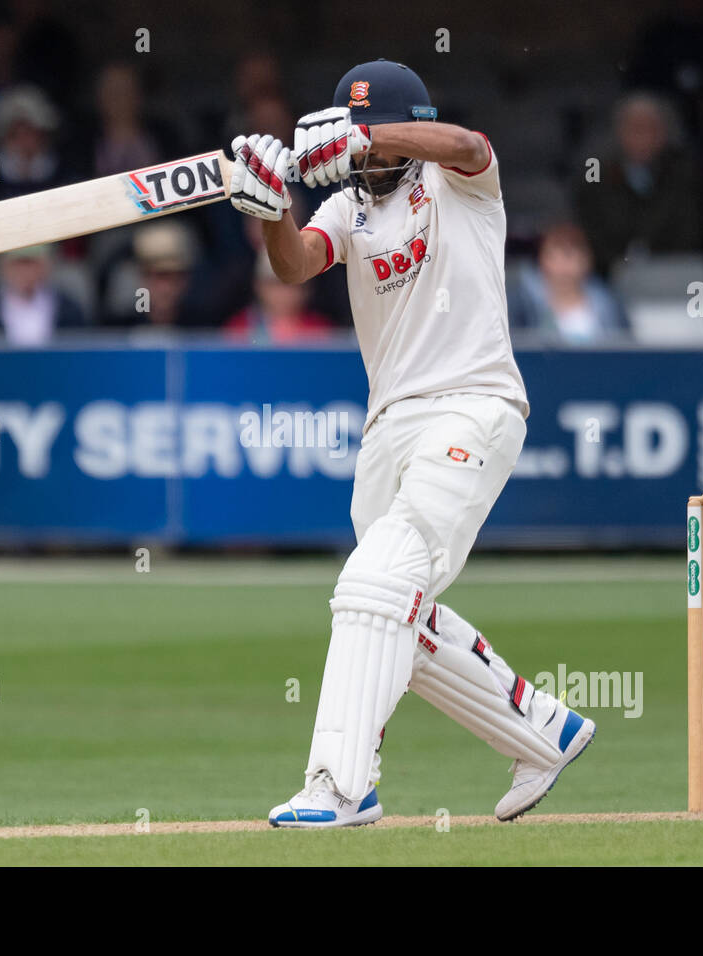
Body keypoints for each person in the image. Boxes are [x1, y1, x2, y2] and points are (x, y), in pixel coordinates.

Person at [229, 59, 595, 828]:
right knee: (398, 610)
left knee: (375, 585)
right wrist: (270, 205)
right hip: (386, 425)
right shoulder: (346, 208)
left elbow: (466, 142)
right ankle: (543, 729)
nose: (364, 162)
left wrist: (363, 137)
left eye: (375, 143)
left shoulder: (456, 181)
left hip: (473, 405)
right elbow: (294, 263)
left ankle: (340, 784)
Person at [574, 93, 703, 274]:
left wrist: (655, 262)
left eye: (650, 129)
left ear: (663, 134)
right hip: (608, 272)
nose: (643, 138)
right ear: (619, 132)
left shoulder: (683, 170)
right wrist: (619, 263)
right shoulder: (594, 168)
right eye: (635, 129)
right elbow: (589, 224)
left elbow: (690, 231)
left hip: (669, 271)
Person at [509, 222, 627, 343]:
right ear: (541, 260)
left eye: (568, 256)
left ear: (586, 260)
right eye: (553, 256)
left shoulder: (609, 304)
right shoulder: (521, 305)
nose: (562, 266)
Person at [0, 244, 87, 344]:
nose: (25, 271)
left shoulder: (70, 311)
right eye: (18, 263)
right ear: (3, 265)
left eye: (32, 263)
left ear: (47, 265)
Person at [224, 250, 333, 344]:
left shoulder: (319, 329)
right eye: (275, 284)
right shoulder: (240, 327)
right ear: (259, 286)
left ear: (307, 289)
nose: (284, 293)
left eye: (293, 285)